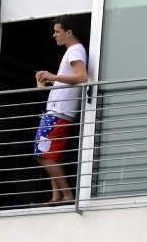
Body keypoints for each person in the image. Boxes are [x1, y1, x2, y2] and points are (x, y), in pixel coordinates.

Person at [34, 15, 88, 204]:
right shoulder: (74, 50)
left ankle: (66, 195)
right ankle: (56, 197)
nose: (54, 35)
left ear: (69, 32)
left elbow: (82, 77)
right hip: (59, 111)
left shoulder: (74, 50)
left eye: (58, 31)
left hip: (60, 112)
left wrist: (53, 76)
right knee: (51, 156)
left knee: (42, 154)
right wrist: (52, 79)